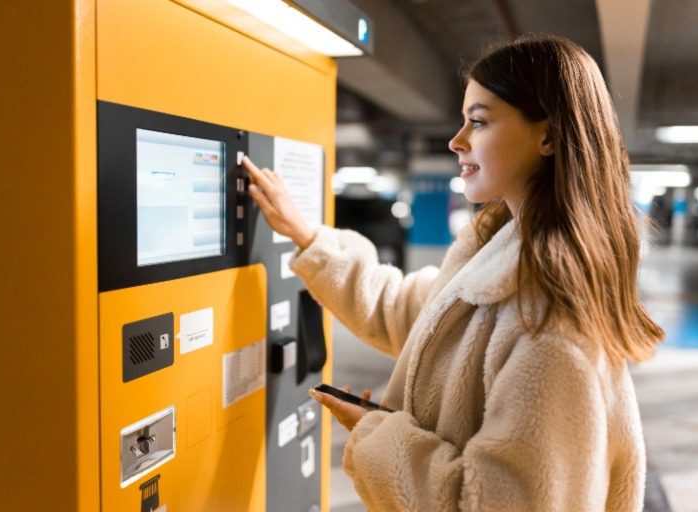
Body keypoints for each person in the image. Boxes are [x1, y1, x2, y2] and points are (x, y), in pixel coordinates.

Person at [244, 35, 664, 512]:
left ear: (547, 136)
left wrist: (377, 437)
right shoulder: (499, 251)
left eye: (478, 122)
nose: (455, 141)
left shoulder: (550, 322)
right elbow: (415, 317)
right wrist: (307, 237)